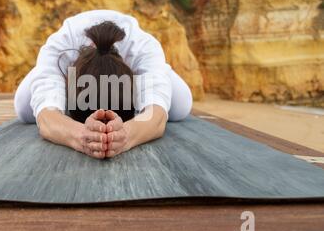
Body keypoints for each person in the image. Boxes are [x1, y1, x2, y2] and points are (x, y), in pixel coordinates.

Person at [14, 10, 193, 159]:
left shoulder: (143, 48)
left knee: (180, 106)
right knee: (24, 108)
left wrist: (125, 136)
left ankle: (159, 73)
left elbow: (157, 117)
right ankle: (50, 77)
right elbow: (46, 117)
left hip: (140, 64)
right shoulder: (60, 49)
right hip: (63, 66)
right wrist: (80, 135)